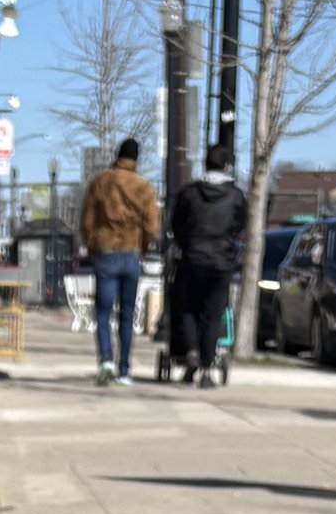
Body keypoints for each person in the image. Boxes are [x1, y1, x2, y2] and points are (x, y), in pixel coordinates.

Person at [78, 137, 159, 385]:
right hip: (131, 254)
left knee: (102, 313)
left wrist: (93, 246)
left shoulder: (100, 182)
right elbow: (151, 225)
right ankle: (124, 369)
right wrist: (141, 248)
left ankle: (105, 361)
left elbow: (87, 221)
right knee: (127, 314)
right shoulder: (143, 186)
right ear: (136, 159)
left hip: (105, 252)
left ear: (118, 155)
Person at [168, 152, 247, 382]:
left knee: (188, 309)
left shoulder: (189, 193)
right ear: (226, 165)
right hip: (221, 262)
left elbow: (177, 224)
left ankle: (191, 351)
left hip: (193, 258)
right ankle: (206, 366)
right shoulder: (236, 196)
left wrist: (186, 244)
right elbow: (240, 225)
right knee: (213, 315)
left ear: (206, 164)